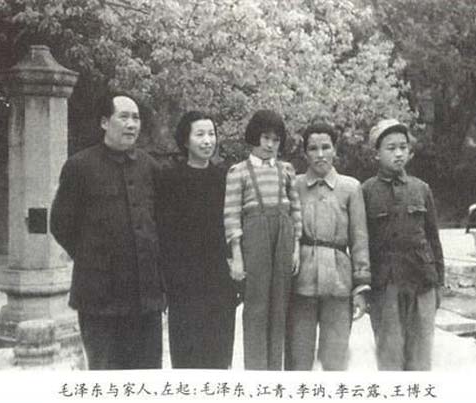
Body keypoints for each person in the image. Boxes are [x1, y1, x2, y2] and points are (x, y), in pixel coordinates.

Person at [50, 92, 165, 370]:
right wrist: (92, 257)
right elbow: (61, 224)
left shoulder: (150, 167)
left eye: (136, 118)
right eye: (123, 117)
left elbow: (161, 222)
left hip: (145, 297)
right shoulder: (80, 166)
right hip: (99, 298)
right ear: (104, 122)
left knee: (147, 378)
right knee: (106, 376)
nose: (131, 124)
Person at [285, 122, 370, 371]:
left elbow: (359, 239)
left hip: (339, 283)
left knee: (335, 361)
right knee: (298, 359)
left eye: (326, 147)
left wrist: (360, 286)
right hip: (301, 282)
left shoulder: (351, 187)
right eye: (313, 148)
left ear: (335, 150)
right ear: (305, 153)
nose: (320, 154)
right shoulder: (294, 185)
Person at [156, 111, 237, 369]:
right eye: (200, 134)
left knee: (219, 356)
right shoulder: (169, 179)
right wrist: (167, 280)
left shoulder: (225, 178)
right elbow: (164, 232)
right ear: (185, 140)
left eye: (211, 134)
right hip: (183, 282)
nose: (207, 140)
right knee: (186, 357)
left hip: (219, 281)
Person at [362, 118, 444, 370]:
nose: (398, 153)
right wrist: (363, 287)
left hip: (422, 282)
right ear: (377, 153)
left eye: (403, 147)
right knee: (390, 360)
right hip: (385, 285)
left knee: (420, 360)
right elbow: (360, 242)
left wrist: (439, 283)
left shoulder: (421, 189)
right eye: (391, 148)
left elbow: (433, 239)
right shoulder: (366, 191)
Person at [224, 109, 302, 370]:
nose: (270, 145)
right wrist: (237, 255)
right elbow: (231, 215)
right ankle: (256, 375)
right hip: (254, 239)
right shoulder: (238, 172)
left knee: (279, 307)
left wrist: (296, 248)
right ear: (254, 137)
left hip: (283, 238)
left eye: (276, 140)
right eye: (265, 138)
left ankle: (274, 372)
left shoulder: (286, 170)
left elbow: (295, 210)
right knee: (256, 307)